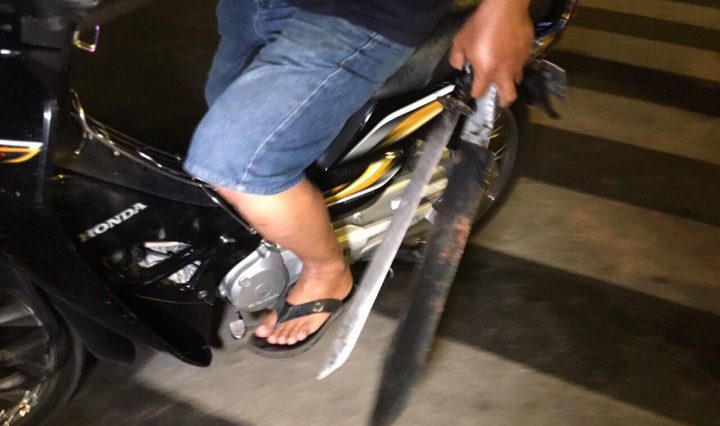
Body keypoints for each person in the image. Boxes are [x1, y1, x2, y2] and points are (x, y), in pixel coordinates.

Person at [184, 0, 533, 356]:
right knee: (236, 124)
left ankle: (327, 274)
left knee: (236, 164)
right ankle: (291, 218)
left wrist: (506, 9)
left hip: (361, 10)